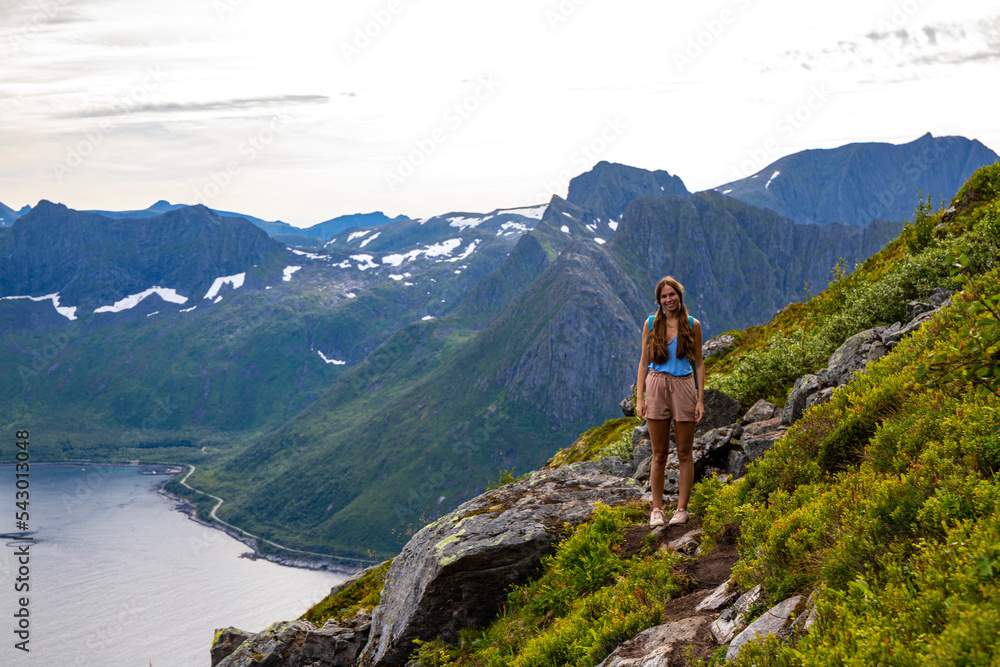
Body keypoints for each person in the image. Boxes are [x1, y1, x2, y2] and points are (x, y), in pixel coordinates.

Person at [635, 276, 705, 527]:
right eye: (664, 296)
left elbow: (698, 363)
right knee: (659, 454)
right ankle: (656, 510)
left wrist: (700, 399)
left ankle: (681, 509)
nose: (668, 300)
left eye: (672, 295)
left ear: (679, 295)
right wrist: (640, 398)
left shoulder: (692, 324)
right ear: (659, 300)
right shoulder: (651, 323)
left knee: (685, 452)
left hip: (684, 386)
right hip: (655, 385)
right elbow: (644, 363)